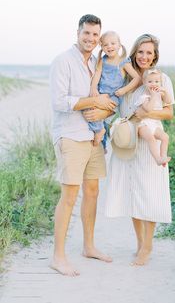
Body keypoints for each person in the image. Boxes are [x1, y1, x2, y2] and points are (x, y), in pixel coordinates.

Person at [83, 33, 175, 266]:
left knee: (150, 193)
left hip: (149, 139)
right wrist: (99, 113)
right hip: (127, 141)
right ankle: (139, 242)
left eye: (149, 53)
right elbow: (115, 105)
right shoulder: (126, 77)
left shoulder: (160, 78)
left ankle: (147, 246)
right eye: (141, 52)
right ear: (134, 52)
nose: (144, 57)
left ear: (155, 56)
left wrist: (146, 114)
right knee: (132, 193)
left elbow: (169, 113)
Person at [49, 14, 116, 276]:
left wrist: (102, 110)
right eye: (86, 33)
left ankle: (89, 246)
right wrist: (94, 102)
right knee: (69, 196)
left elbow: (106, 104)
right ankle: (58, 257)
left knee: (92, 190)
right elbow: (59, 102)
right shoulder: (63, 61)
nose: (90, 39)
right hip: (70, 135)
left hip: (93, 137)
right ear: (77, 33)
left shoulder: (97, 64)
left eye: (95, 35)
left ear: (99, 39)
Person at [89, 31, 140, 150]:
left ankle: (101, 133)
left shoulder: (123, 62)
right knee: (91, 111)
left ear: (119, 45)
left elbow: (137, 78)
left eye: (113, 43)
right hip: (101, 93)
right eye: (105, 45)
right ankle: (102, 139)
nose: (109, 46)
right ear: (101, 47)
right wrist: (93, 87)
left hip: (114, 96)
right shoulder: (102, 60)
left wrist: (124, 90)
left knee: (102, 116)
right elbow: (97, 74)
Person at [134, 67, 171, 167]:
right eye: (150, 81)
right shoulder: (144, 97)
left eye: (156, 81)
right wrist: (154, 96)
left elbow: (168, 101)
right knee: (151, 139)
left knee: (165, 137)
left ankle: (163, 156)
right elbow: (148, 109)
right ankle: (158, 159)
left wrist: (165, 91)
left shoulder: (160, 94)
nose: (153, 84)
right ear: (145, 83)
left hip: (154, 123)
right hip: (143, 124)